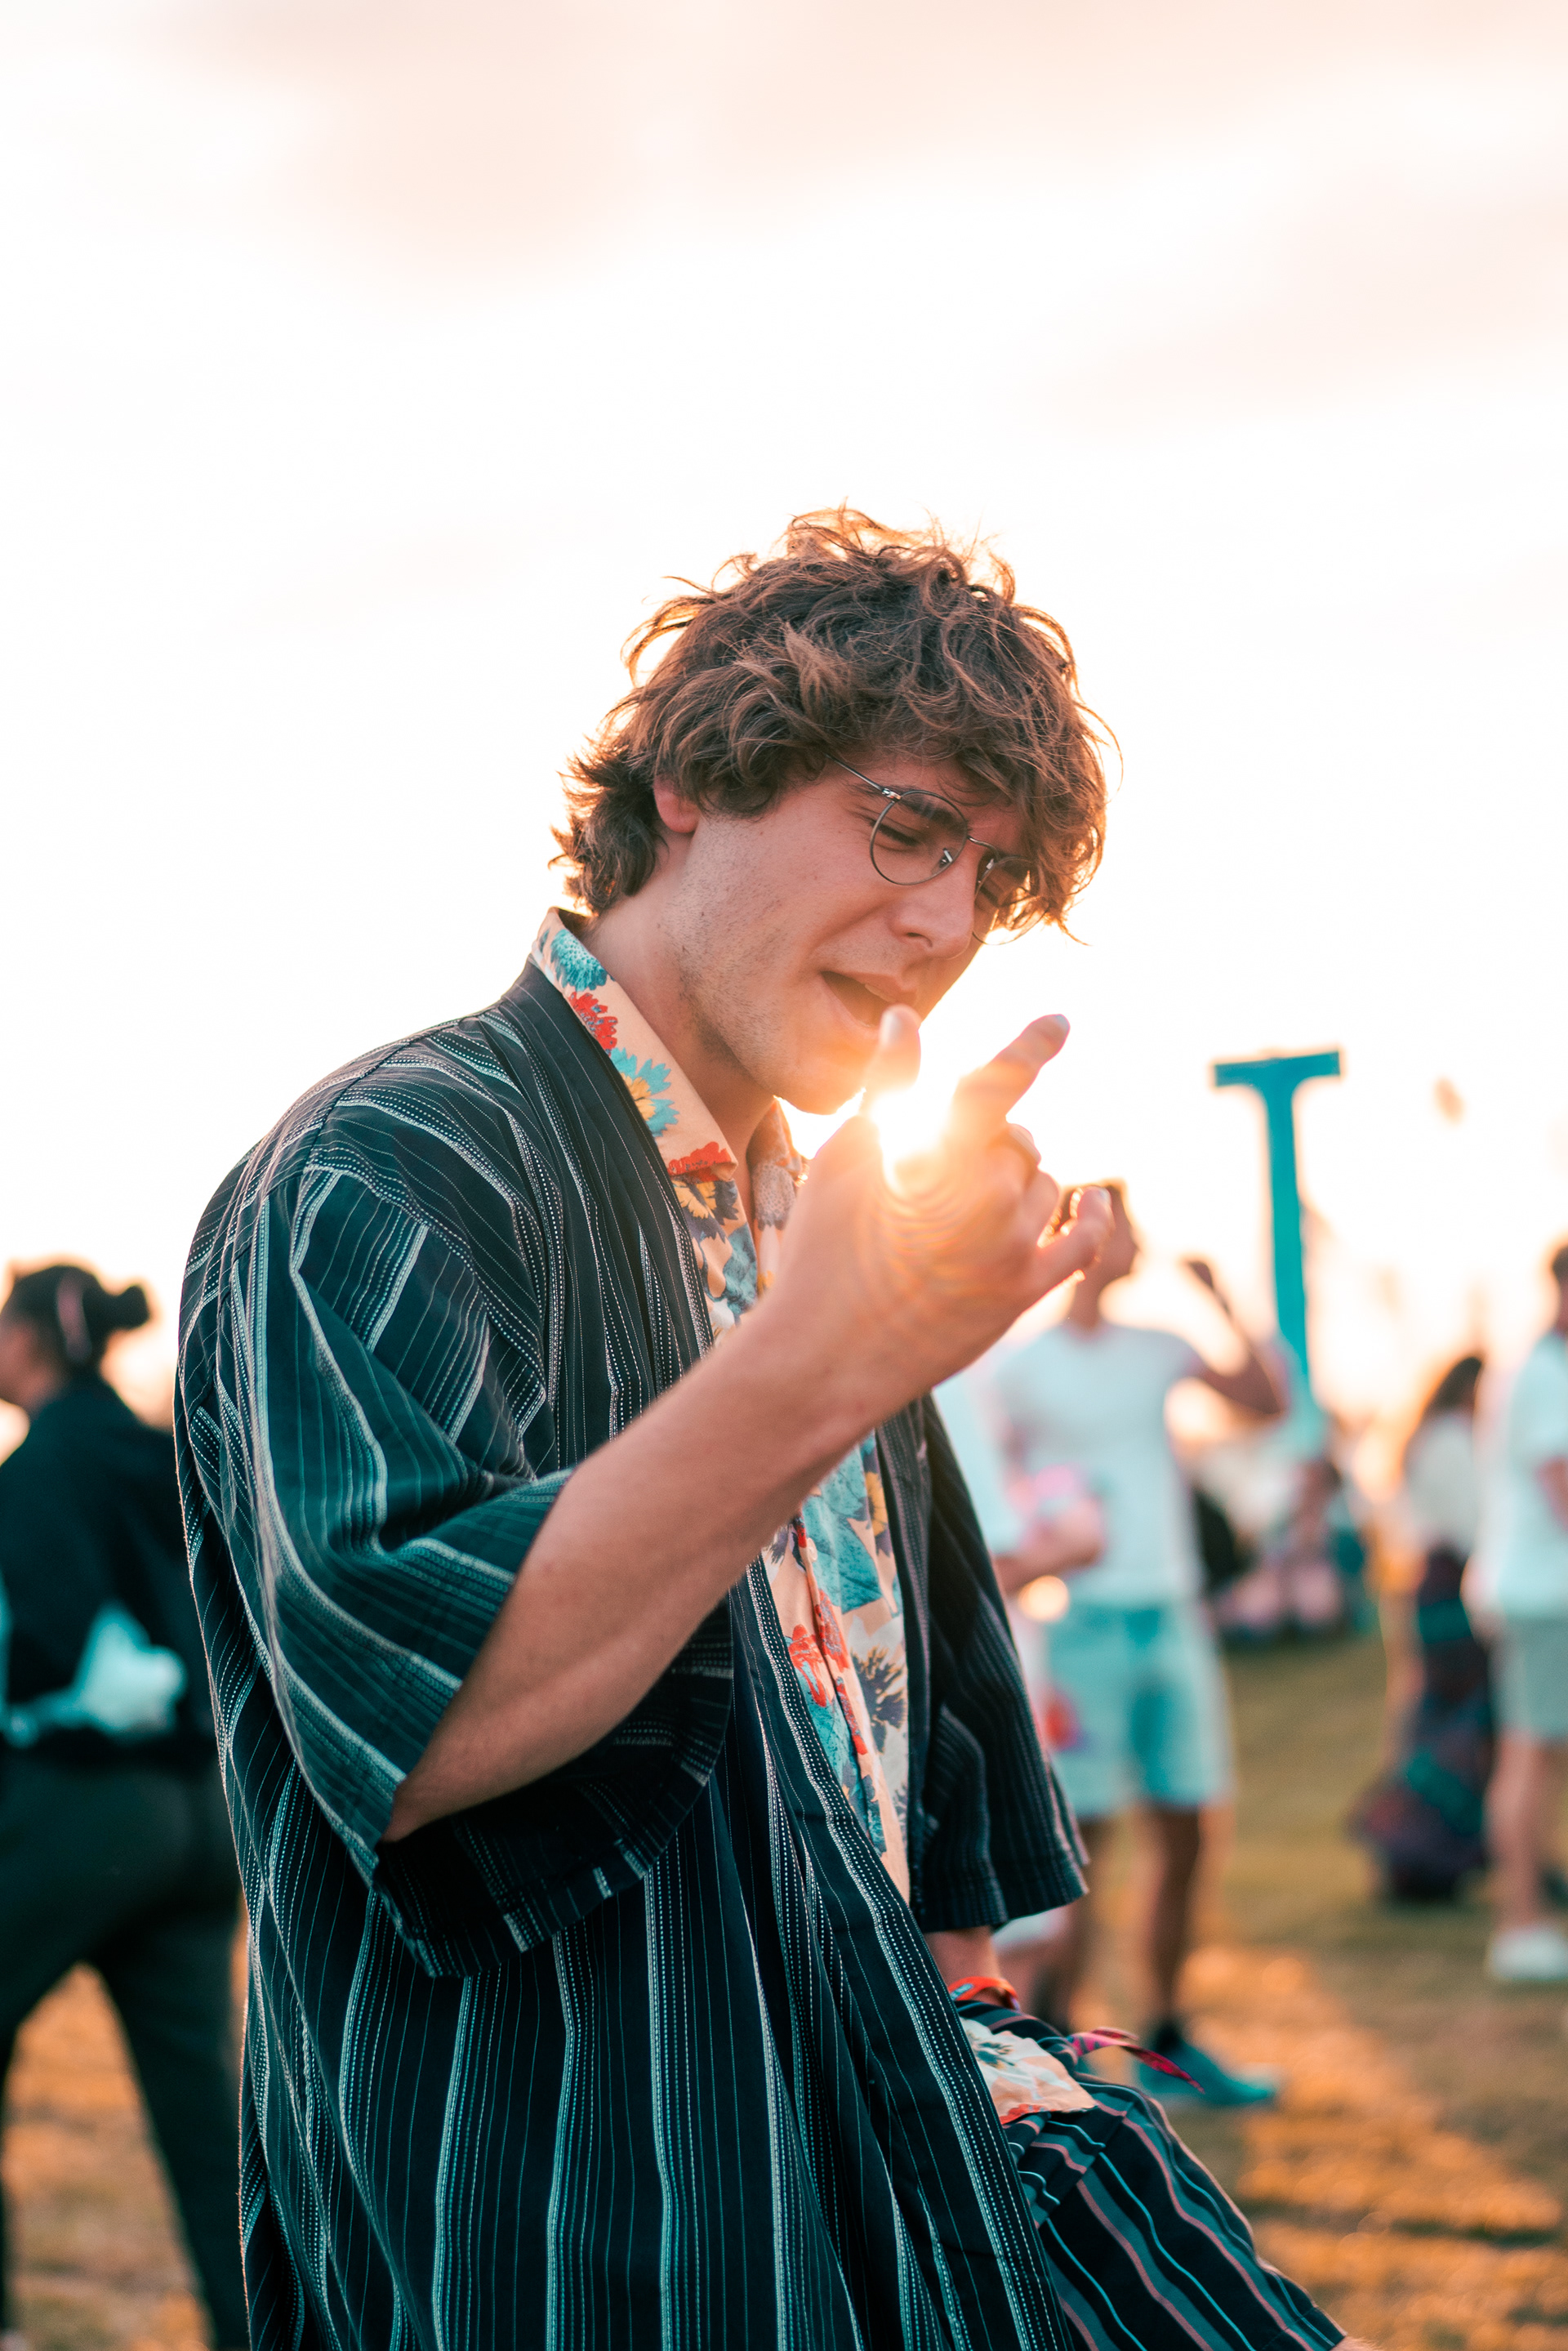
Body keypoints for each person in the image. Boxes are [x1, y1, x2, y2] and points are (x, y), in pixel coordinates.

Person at [176, 511, 1351, 2350]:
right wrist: (826, 1363)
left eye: (989, 875)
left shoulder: (824, 1223)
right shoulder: (387, 1164)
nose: (946, 925)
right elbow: (421, 1720)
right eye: (904, 826)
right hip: (579, 2251)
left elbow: (937, 1845)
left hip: (909, 2203)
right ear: (691, 780)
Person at [949, 1189, 1286, 2106]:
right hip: (1079, 1621)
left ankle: (1169, 2033)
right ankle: (1066, 2043)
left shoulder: (1160, 1347)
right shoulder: (1021, 1365)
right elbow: (983, 1467)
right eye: (1122, 1224)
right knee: (1080, 1846)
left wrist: (1226, 1304)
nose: (1135, 1241)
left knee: (1188, 1827)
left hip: (1171, 1613)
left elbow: (1265, 1403)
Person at [0, 1265, 247, 2351]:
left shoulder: (38, 1466)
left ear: (29, 1342)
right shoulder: (161, 1452)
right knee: (210, 2127)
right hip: (205, 1811)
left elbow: (56, 1647)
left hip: (90, 1808)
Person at [1349, 1354, 1493, 1903]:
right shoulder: (1455, 1439)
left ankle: (1419, 1857)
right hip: (1457, 1588)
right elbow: (1473, 1523)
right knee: (1462, 1723)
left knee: (1432, 1719)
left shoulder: (1425, 1440)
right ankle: (1424, 1851)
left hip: (1428, 1586)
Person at [1474, 1241, 1568, 1983]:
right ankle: (1522, 1925)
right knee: (1530, 1756)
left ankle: (1530, 1917)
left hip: (1536, 1590)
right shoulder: (1545, 1374)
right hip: (1544, 1595)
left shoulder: (1537, 1368)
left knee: (1539, 1756)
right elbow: (1562, 1488)